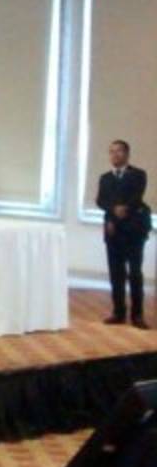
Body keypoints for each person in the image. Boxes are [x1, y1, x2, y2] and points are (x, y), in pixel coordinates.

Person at [96, 140, 150, 329]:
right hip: (113, 231)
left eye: (118, 151)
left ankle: (137, 315)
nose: (114, 155)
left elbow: (137, 197)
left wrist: (123, 208)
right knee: (116, 273)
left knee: (135, 273)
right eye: (111, 151)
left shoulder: (138, 174)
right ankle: (118, 312)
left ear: (127, 153)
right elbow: (101, 200)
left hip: (133, 229)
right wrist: (113, 209)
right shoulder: (105, 178)